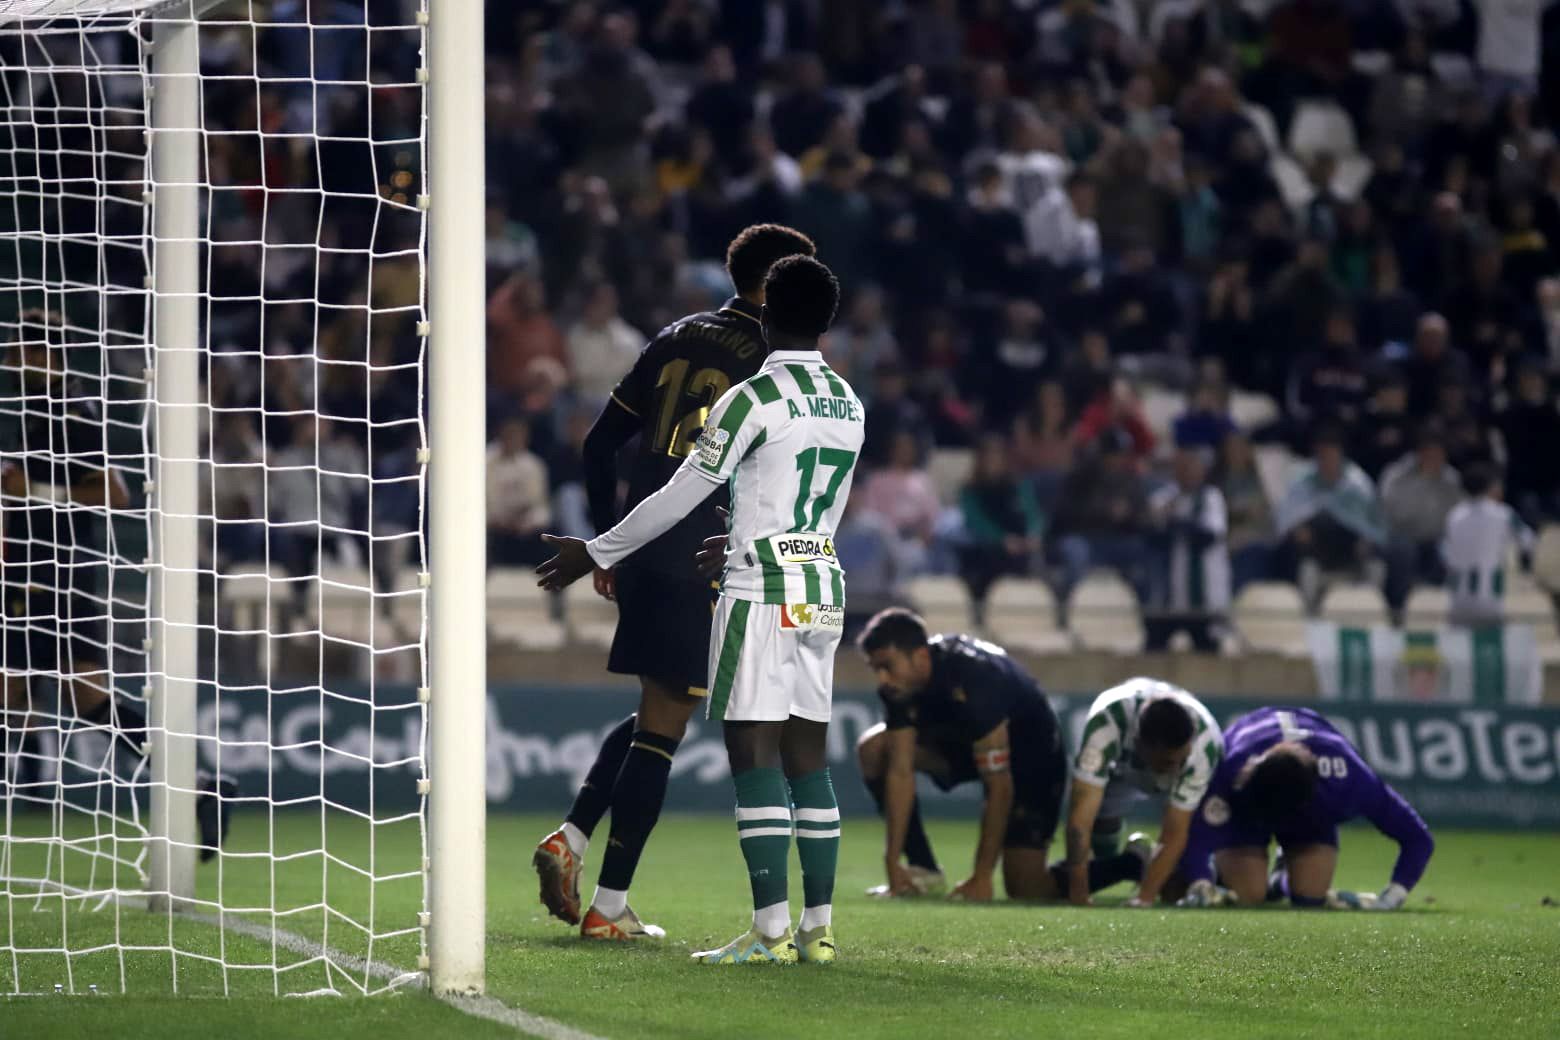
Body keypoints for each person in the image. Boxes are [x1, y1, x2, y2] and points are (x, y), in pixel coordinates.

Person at [539, 255, 860, 966]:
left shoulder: (750, 399)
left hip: (761, 588)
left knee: (753, 752)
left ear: (766, 311)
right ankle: (820, 930)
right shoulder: (849, 402)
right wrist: (741, 529)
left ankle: (770, 934)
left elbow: (681, 492)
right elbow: (800, 498)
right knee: (809, 760)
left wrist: (597, 550)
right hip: (822, 586)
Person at [0, 310, 233, 856]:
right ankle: (202, 787)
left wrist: (32, 489)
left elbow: (116, 493)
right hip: (37, 576)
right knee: (80, 702)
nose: (11, 360)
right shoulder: (36, 413)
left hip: (58, 580)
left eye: (21, 351)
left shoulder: (71, 413)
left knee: (23, 693)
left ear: (46, 356)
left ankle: (198, 786)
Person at [854, 610, 1081, 902]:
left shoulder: (974, 676)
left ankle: (1131, 863)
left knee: (1027, 887)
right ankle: (923, 869)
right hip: (963, 749)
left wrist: (982, 877)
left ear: (920, 656)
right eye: (876, 669)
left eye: (887, 666)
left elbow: (999, 786)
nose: (882, 679)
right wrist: (892, 863)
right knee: (875, 748)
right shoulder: (897, 689)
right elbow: (900, 771)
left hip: (1031, 760)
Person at [1179, 707, 1434, 911]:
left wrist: (1393, 896)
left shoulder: (1351, 780)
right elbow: (1196, 835)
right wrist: (1201, 881)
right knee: (1249, 897)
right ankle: (1242, 875)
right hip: (1247, 813)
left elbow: (1418, 838)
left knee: (1310, 899)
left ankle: (1281, 878)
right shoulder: (1231, 770)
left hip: (1307, 817)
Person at [1064, 678, 1224, 907]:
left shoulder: (1202, 749)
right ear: (1140, 744)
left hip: (1179, 770)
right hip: (1123, 769)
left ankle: (1145, 867)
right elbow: (1080, 820)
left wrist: (1144, 899)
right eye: (1169, 762)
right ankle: (1124, 862)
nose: (1177, 767)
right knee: (1100, 821)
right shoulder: (1108, 724)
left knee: (1174, 890)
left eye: (1182, 759)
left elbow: (1174, 833)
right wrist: (1078, 893)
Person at [1147, 447, 1230, 652]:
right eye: (1182, 467)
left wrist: (1175, 522)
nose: (1187, 473)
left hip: (1205, 596)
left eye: (1192, 467)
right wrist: (1169, 521)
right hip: (1172, 599)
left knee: (1208, 652)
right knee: (1154, 645)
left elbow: (1207, 536)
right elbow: (1153, 535)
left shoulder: (1211, 497)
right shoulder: (1163, 498)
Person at [1441, 464, 1535, 627]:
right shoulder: (1503, 514)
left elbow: (1445, 550)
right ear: (1491, 487)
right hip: (1489, 595)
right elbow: (1528, 540)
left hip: (1458, 598)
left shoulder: (1454, 516)